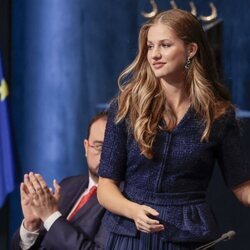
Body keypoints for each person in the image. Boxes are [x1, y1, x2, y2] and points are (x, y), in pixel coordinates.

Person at [97, 9, 250, 250]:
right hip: (130, 236)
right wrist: (134, 210)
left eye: (165, 45)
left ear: (191, 50)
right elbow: (105, 187)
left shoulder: (218, 114)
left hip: (187, 237)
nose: (155, 55)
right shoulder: (126, 106)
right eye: (150, 46)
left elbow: (242, 186)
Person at [11, 111, 108, 250]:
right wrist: (32, 226)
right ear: (86, 147)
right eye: (99, 146)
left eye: (112, 149)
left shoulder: (123, 199)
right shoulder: (68, 185)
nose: (105, 155)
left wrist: (50, 216)